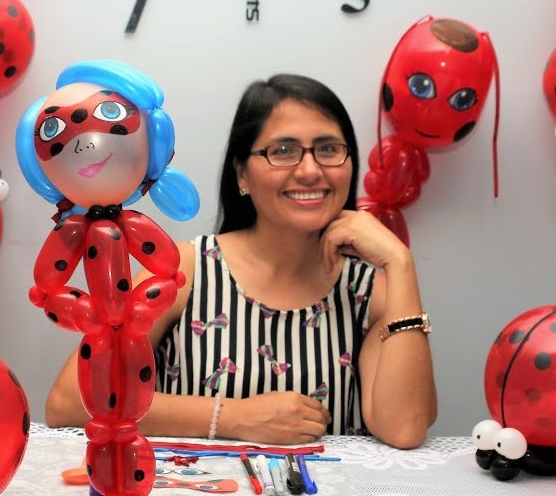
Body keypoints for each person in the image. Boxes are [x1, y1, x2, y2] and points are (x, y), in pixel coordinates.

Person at [44, 73, 437, 449]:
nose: (310, 170)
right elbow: (69, 402)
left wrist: (400, 263)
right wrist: (230, 417)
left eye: (329, 149)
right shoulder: (183, 270)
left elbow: (403, 428)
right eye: (282, 151)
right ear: (242, 175)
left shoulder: (370, 294)